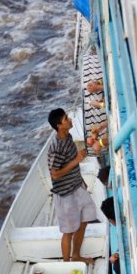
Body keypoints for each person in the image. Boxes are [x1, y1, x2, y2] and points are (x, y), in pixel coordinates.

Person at [47, 108, 97, 264]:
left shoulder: (68, 137)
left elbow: (70, 161)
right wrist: (77, 160)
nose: (70, 119)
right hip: (65, 195)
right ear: (59, 125)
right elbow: (54, 174)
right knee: (68, 232)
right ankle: (67, 265)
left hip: (77, 187)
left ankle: (76, 255)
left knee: (85, 219)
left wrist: (80, 179)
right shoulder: (55, 148)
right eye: (66, 118)